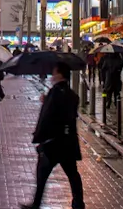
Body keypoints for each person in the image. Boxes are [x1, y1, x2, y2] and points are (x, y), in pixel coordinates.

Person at [21, 61, 84, 209]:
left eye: (54, 72)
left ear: (60, 74)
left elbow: (47, 117)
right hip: (68, 142)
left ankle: (36, 204)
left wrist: (39, 137)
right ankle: (78, 203)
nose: (52, 75)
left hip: (53, 144)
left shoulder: (54, 93)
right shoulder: (72, 94)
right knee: (73, 175)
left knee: (42, 175)